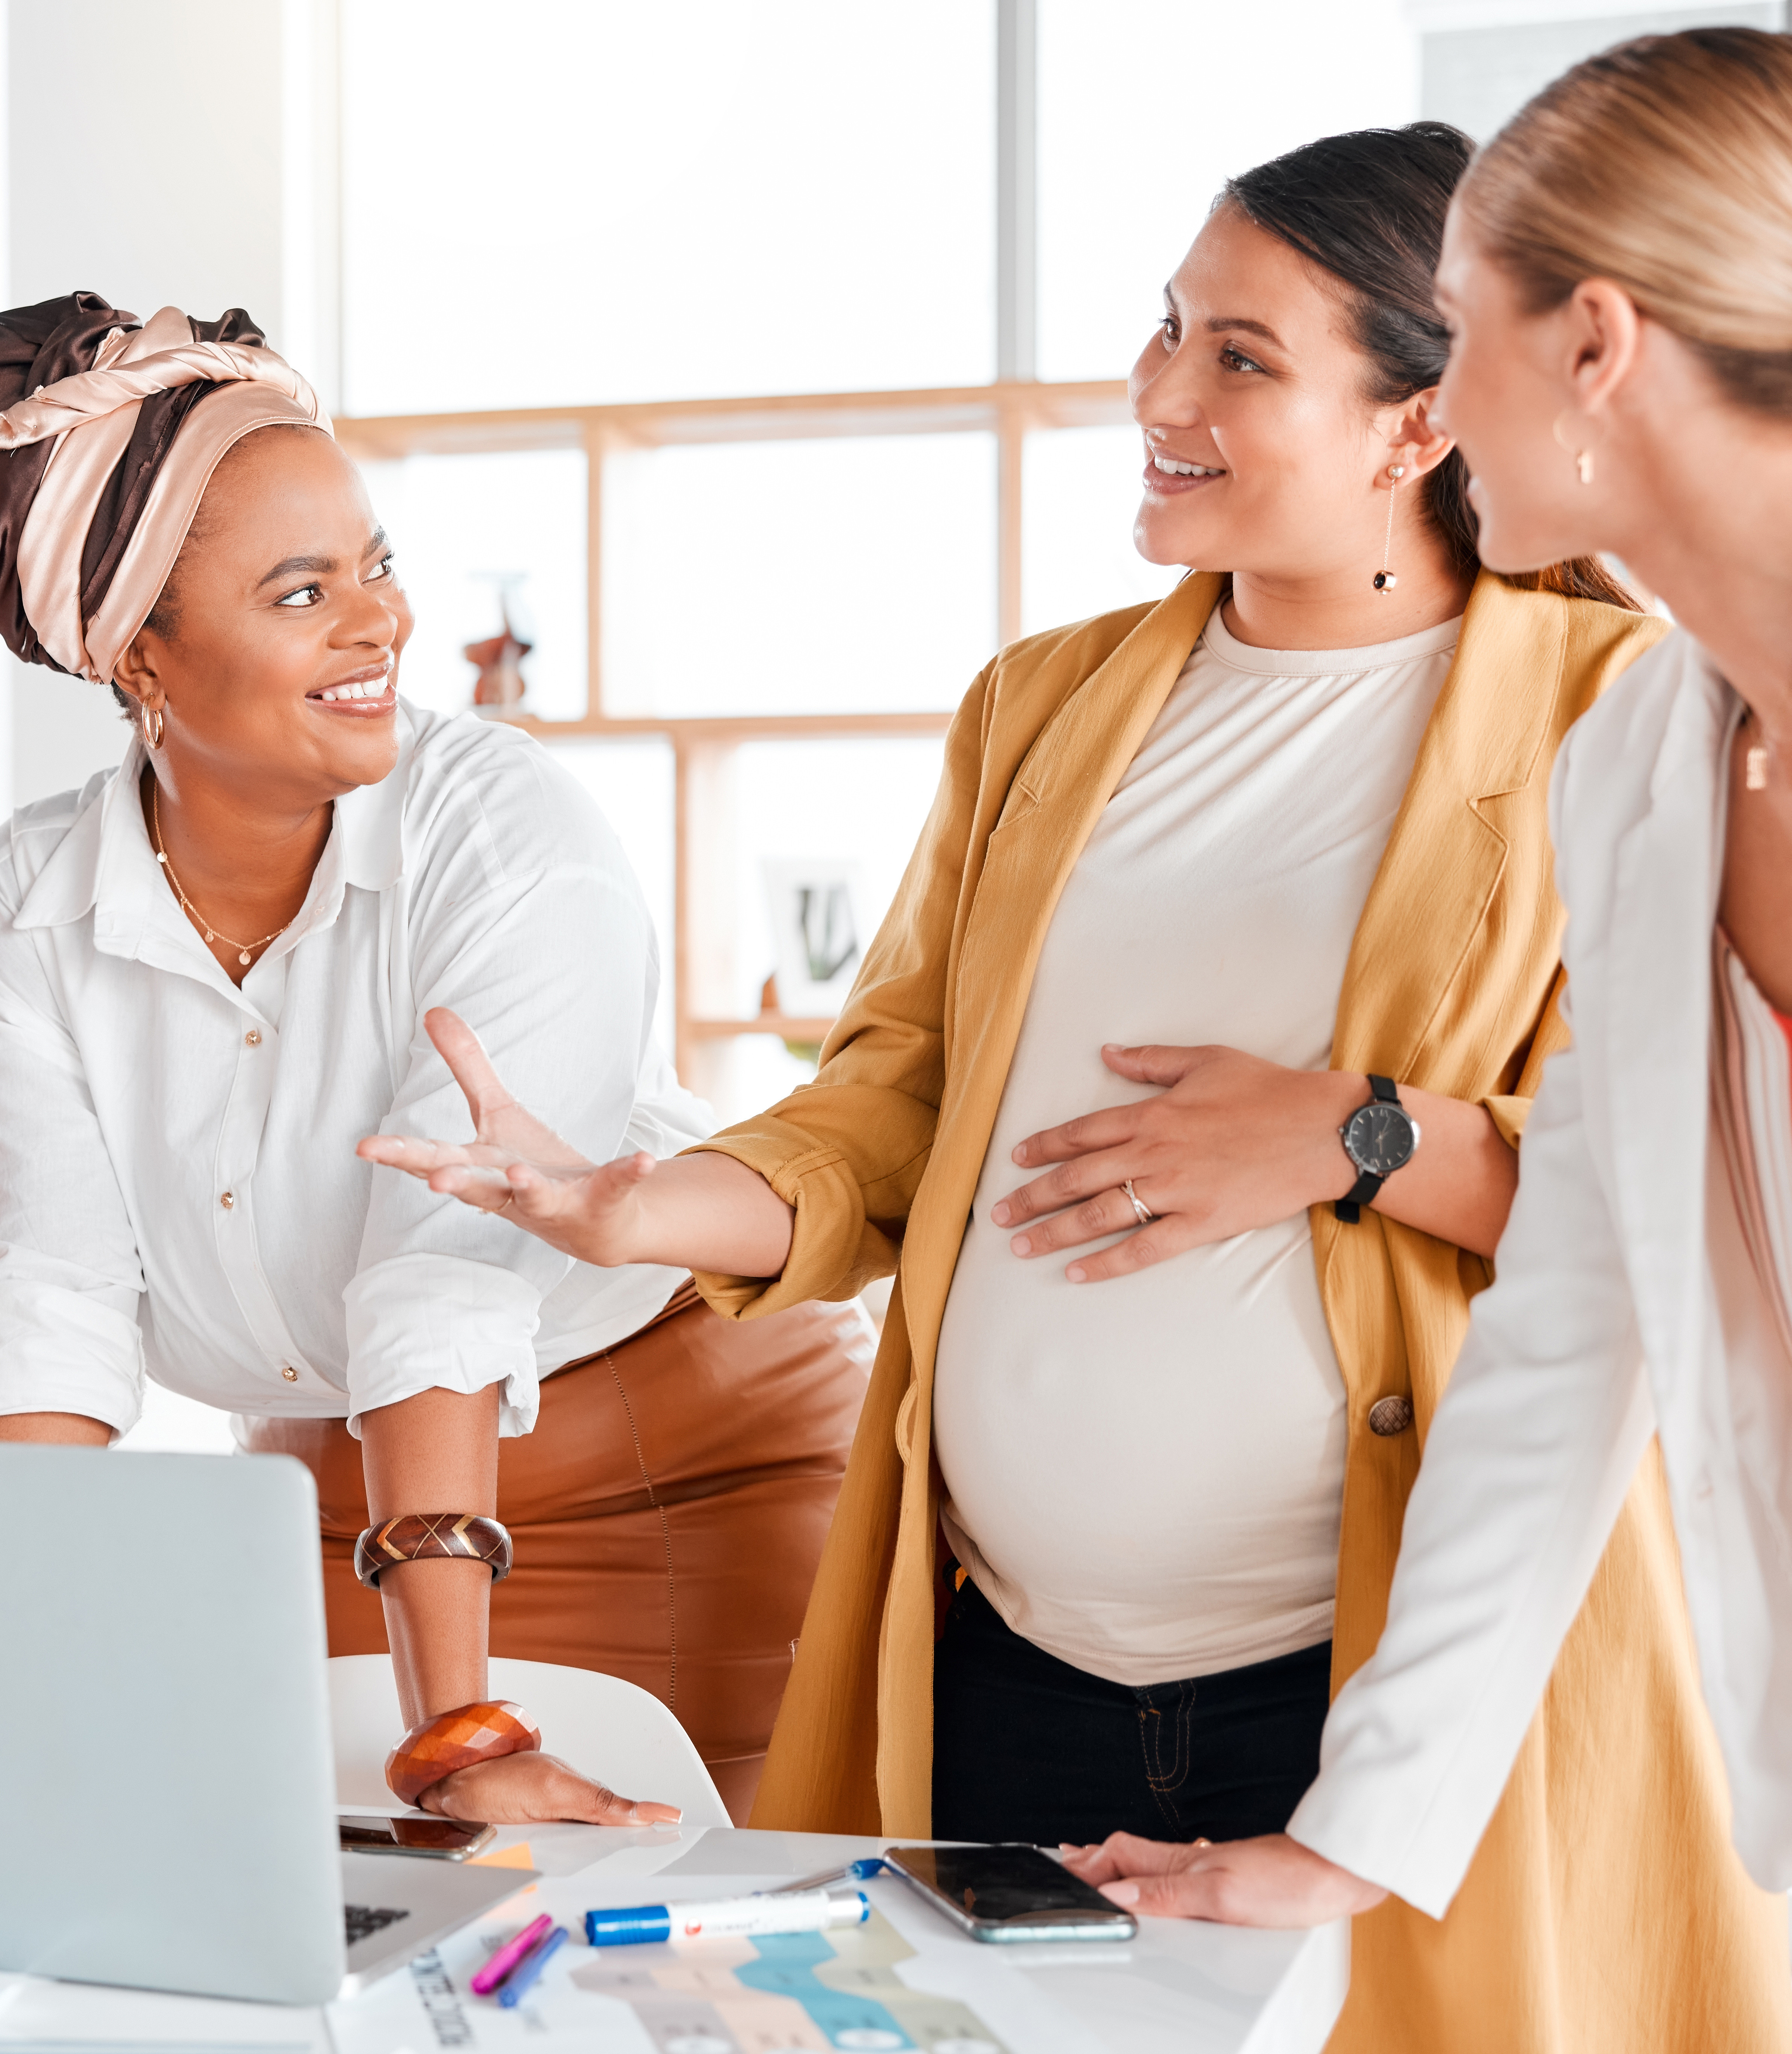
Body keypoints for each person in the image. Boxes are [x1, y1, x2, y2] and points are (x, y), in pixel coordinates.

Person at [366, 125, 1791, 2048]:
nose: (1160, 391)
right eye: (1167, 328)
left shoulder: (1617, 713)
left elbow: (1664, 1208)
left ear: (1418, 420)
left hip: (1377, 1679)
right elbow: (897, 1101)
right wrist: (635, 1204)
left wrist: (1354, 1137)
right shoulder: (1040, 705)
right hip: (1008, 1672)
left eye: (1240, 356)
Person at [0, 291, 872, 1824]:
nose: (381, 625)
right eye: (302, 592)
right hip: (335, 1500)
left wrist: (460, 1732)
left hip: (681, 1463)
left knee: (661, 1933)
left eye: (377, 565)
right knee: (350, 1925)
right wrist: (4, 1662)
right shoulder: (25, 908)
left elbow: (445, 1280)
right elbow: (50, 1303)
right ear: (141, 655)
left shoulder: (502, 831)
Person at [1067, 27, 1792, 1955]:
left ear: (1595, 345)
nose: (1436, 410)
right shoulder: (1646, 764)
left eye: (1457, 337)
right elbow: (1573, 1324)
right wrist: (1354, 1841)